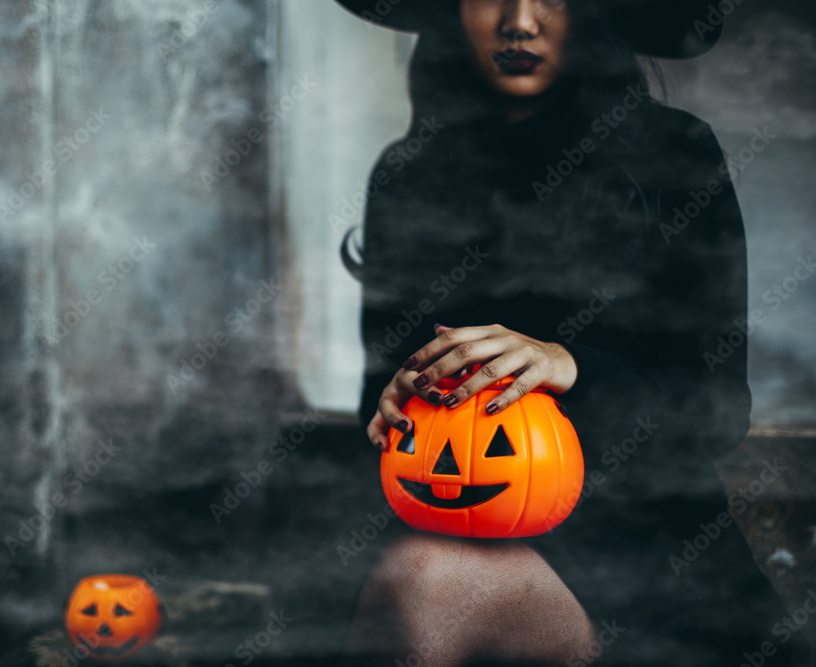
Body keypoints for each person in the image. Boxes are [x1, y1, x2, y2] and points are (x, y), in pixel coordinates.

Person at [334, 0, 812, 665]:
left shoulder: (673, 155)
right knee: (413, 581)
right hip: (458, 520)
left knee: (425, 584)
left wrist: (569, 365)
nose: (520, 21)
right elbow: (374, 402)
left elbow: (718, 410)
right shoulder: (407, 175)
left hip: (646, 553)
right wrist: (396, 401)